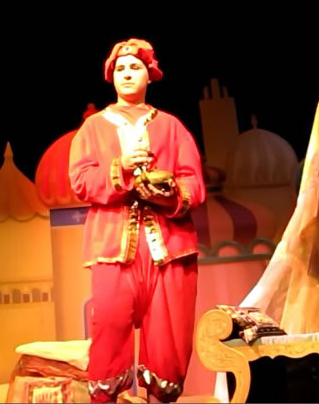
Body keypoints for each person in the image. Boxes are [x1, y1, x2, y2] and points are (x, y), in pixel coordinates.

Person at [69, 39, 206, 402]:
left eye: (135, 67)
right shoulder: (94, 127)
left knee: (169, 340)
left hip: (170, 249)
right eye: (120, 68)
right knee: (109, 331)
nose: (127, 74)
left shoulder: (171, 127)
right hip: (114, 248)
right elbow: (80, 181)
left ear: (150, 75)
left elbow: (194, 182)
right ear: (111, 77)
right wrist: (122, 168)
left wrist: (168, 193)